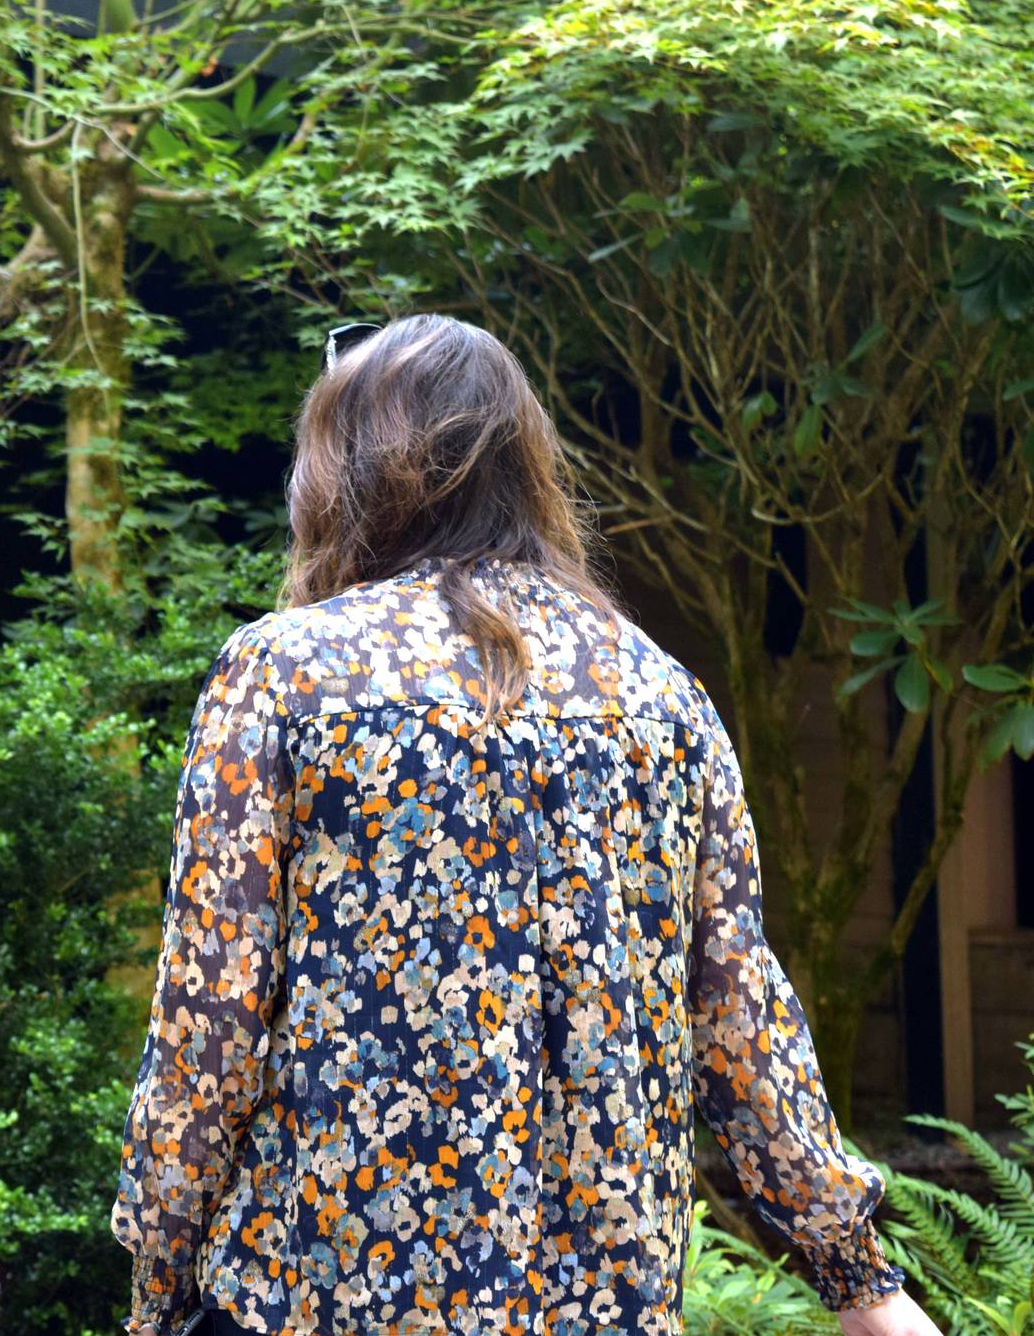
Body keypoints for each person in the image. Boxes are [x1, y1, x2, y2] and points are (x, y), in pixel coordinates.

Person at [109, 315, 941, 1336]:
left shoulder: (284, 675)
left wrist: (157, 1279)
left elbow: (209, 1019)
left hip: (323, 1298)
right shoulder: (658, 693)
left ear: (347, 471)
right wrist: (857, 1278)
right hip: (597, 1306)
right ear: (522, 467)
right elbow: (737, 1013)